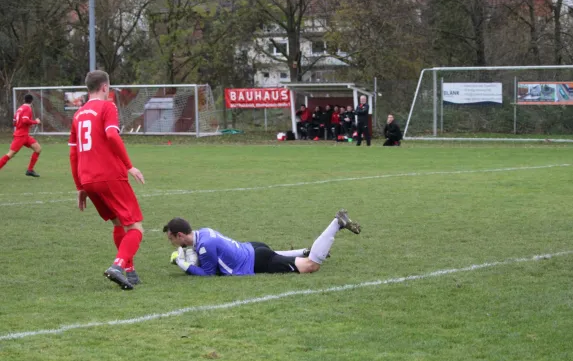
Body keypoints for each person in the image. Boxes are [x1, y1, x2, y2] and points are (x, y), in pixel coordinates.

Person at [69, 70, 146, 290]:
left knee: (118, 222)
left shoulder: (78, 114)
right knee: (136, 227)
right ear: (105, 87)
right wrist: (130, 166)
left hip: (88, 179)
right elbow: (112, 135)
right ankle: (118, 266)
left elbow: (73, 154)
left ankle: (129, 271)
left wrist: (80, 186)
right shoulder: (107, 106)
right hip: (109, 175)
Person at [164, 209, 361, 276]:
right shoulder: (204, 232)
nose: (172, 243)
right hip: (253, 248)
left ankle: (336, 223)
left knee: (311, 265)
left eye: (171, 238)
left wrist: (182, 263)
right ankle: (302, 251)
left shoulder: (205, 246)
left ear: (180, 235)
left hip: (256, 261)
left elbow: (208, 274)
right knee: (280, 256)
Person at [0, 94, 43, 176]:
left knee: (38, 149)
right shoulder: (27, 108)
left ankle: (30, 170)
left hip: (25, 135)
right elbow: (25, 120)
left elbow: (14, 122)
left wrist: (22, 127)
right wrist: (35, 122)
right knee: (10, 154)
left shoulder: (19, 108)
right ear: (32, 101)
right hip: (20, 136)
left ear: (24, 100)